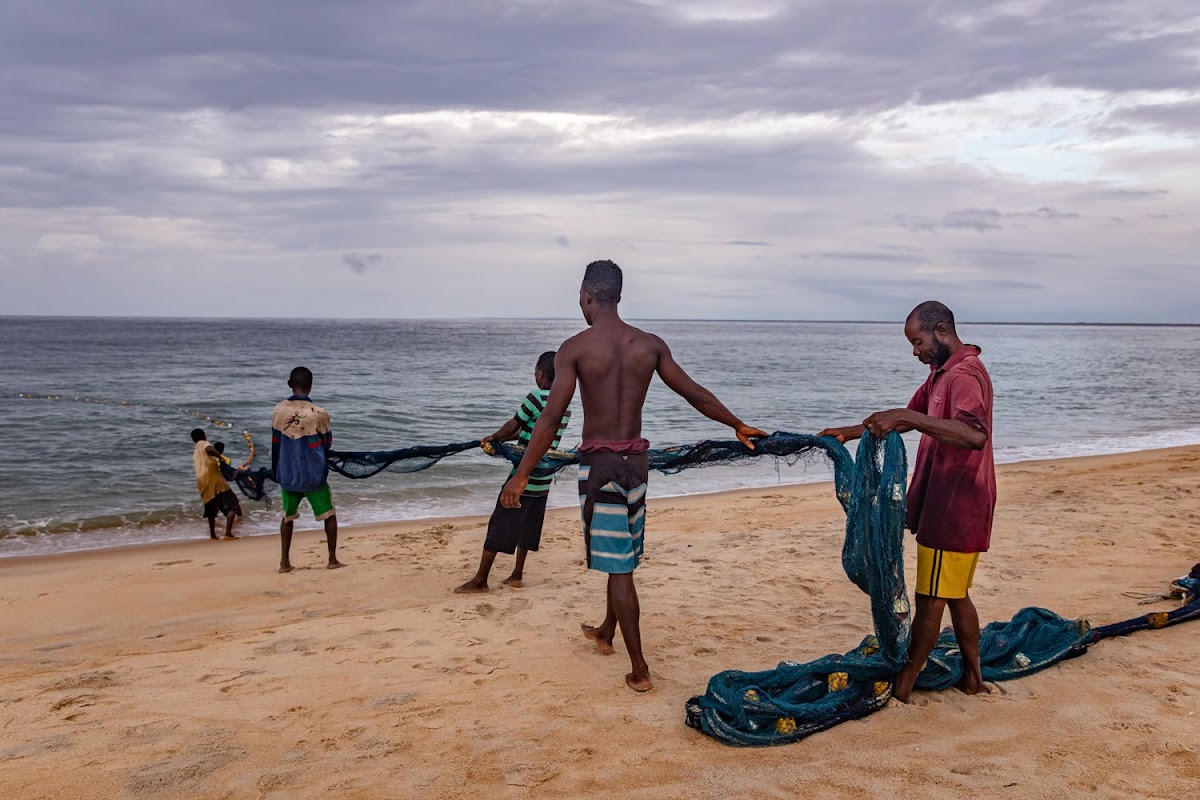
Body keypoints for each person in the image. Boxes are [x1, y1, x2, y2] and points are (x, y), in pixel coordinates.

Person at [500, 260, 766, 692]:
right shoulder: (649, 344)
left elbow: (550, 417)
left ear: (586, 296)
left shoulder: (575, 347)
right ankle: (606, 631)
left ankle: (640, 669)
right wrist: (736, 424)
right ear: (618, 297)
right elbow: (692, 391)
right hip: (636, 467)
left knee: (620, 568)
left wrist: (520, 475)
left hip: (601, 468)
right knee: (622, 556)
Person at [819, 300, 994, 703]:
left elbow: (974, 434)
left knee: (930, 598)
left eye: (918, 342)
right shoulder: (939, 376)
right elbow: (909, 415)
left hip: (956, 503)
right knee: (953, 593)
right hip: (950, 500)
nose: (915, 352)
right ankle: (973, 677)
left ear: (941, 331)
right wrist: (848, 433)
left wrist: (907, 418)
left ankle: (904, 687)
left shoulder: (964, 374)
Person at [455, 351, 571, 593]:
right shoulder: (563, 403)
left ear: (540, 374)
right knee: (528, 525)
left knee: (501, 522)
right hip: (544, 476)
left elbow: (514, 425)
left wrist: (494, 437)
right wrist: (501, 440)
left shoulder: (537, 397)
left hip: (524, 473)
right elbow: (529, 432)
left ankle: (480, 581)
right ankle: (516, 574)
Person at [271, 366, 344, 573]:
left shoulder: (278, 411)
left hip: (287, 474)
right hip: (313, 476)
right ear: (310, 386)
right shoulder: (319, 413)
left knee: (287, 517)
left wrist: (277, 471)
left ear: (289, 384)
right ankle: (332, 560)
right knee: (329, 515)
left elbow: (276, 443)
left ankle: (284, 563)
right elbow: (326, 443)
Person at [190, 428, 240, 540]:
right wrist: (220, 457)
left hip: (203, 483)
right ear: (203, 435)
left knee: (211, 510)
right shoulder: (204, 444)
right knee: (233, 504)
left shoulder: (195, 452)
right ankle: (228, 534)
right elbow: (210, 449)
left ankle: (213, 535)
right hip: (216, 480)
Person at [212, 441, 246, 520]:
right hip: (222, 486)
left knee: (217, 505)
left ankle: (214, 525)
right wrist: (236, 473)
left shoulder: (211, 459)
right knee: (234, 504)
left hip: (212, 487)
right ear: (223, 450)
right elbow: (228, 474)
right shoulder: (223, 460)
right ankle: (240, 519)